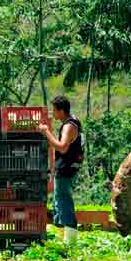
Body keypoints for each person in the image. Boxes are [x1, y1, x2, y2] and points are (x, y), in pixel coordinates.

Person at [38, 96, 84, 242]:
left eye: (54, 110)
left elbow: (62, 147)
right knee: (59, 200)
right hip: (66, 167)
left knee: (64, 201)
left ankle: (70, 240)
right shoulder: (72, 121)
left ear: (61, 111)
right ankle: (66, 235)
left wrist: (46, 132)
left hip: (66, 168)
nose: (53, 114)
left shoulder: (69, 126)